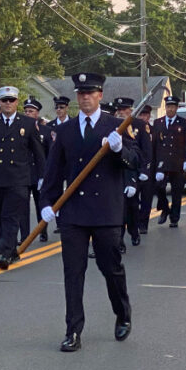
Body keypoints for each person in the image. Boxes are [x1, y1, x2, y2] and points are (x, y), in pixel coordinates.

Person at [39, 72, 138, 352]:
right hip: (74, 213)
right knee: (73, 273)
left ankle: (122, 313)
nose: (85, 98)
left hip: (106, 212)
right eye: (80, 93)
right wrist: (47, 202)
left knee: (111, 269)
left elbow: (135, 161)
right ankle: (73, 330)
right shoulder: (67, 130)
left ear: (100, 96)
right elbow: (53, 171)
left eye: (90, 93)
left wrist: (120, 151)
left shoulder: (116, 127)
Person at [0, 85, 46, 270]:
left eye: (11, 100)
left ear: (17, 102)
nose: (8, 104)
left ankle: (7, 254)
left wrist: (42, 176)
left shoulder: (27, 123)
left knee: (11, 217)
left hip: (18, 179)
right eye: (4, 100)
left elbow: (38, 152)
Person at [114, 97, 151, 248]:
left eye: (124, 110)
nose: (121, 113)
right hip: (117, 173)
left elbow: (145, 150)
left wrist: (144, 170)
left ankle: (134, 232)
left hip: (133, 171)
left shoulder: (139, 125)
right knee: (119, 209)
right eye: (119, 110)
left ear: (131, 110)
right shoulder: (113, 125)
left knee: (132, 207)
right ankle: (119, 240)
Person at [153, 96, 186, 228]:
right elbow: (155, 144)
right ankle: (165, 208)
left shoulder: (183, 123)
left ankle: (174, 218)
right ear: (165, 108)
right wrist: (154, 163)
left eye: (173, 107)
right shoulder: (158, 123)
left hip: (178, 162)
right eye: (168, 106)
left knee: (177, 192)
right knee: (159, 188)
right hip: (162, 163)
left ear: (176, 108)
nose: (170, 109)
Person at [23, 96, 54, 242]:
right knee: (22, 206)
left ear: (37, 113)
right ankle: (24, 235)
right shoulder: (20, 129)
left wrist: (46, 174)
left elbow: (50, 154)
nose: (28, 113)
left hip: (40, 173)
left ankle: (43, 231)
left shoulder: (46, 131)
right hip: (23, 173)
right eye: (26, 111)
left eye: (31, 111)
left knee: (40, 203)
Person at [134, 105, 156, 236]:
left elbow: (158, 151)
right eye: (140, 115)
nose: (142, 117)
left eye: (145, 115)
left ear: (149, 116)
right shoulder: (133, 130)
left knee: (146, 199)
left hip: (150, 170)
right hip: (136, 169)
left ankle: (143, 225)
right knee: (134, 200)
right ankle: (135, 223)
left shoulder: (154, 130)